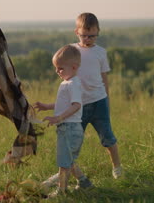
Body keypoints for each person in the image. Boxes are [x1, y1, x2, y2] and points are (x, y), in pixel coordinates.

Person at [41, 12, 123, 188]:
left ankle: (117, 167)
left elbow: (104, 77)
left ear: (98, 32)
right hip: (78, 105)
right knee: (72, 141)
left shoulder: (101, 52)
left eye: (92, 35)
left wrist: (107, 99)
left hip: (99, 101)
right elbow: (63, 71)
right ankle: (65, 172)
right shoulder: (71, 50)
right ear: (76, 32)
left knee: (107, 137)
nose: (87, 39)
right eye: (83, 35)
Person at [34, 45, 94, 196]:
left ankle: (61, 191)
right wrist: (47, 106)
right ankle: (84, 182)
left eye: (60, 68)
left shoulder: (73, 84)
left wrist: (58, 118)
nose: (57, 71)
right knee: (69, 161)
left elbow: (76, 105)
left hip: (69, 128)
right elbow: (64, 104)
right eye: (56, 68)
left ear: (73, 67)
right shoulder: (68, 83)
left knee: (64, 164)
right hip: (67, 128)